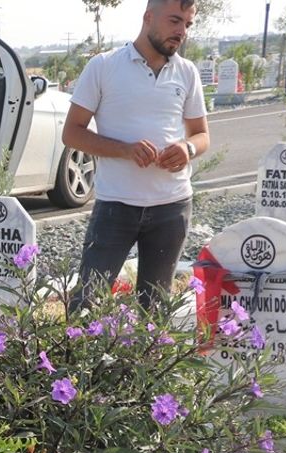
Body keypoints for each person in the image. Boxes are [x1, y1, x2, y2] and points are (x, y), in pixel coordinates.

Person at [63, 0, 210, 311]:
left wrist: (188, 148)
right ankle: (72, 360)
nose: (181, 31)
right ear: (148, 17)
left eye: (187, 24)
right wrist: (125, 150)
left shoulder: (187, 72)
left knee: (154, 310)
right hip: (116, 206)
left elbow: (201, 134)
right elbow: (72, 133)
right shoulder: (104, 66)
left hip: (172, 207)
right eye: (174, 21)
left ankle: (146, 362)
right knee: (86, 305)